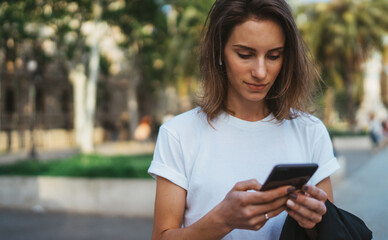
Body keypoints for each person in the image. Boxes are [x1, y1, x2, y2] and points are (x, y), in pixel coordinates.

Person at [148, 0, 340, 239]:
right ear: (219, 52)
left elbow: (330, 232)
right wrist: (223, 219)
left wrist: (314, 222)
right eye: (245, 55)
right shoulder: (178, 134)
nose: (260, 72)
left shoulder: (310, 131)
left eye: (273, 56)